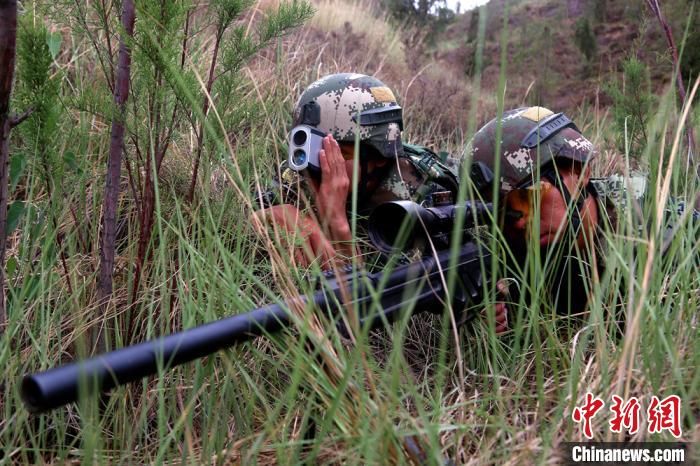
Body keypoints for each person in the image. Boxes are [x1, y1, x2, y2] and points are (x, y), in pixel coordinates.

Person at [253, 73, 460, 270]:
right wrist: (270, 217)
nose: (320, 162)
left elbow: (385, 297)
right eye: (314, 147)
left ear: (377, 158)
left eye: (336, 151)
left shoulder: (419, 198)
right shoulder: (306, 169)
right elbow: (245, 216)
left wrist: (337, 224)